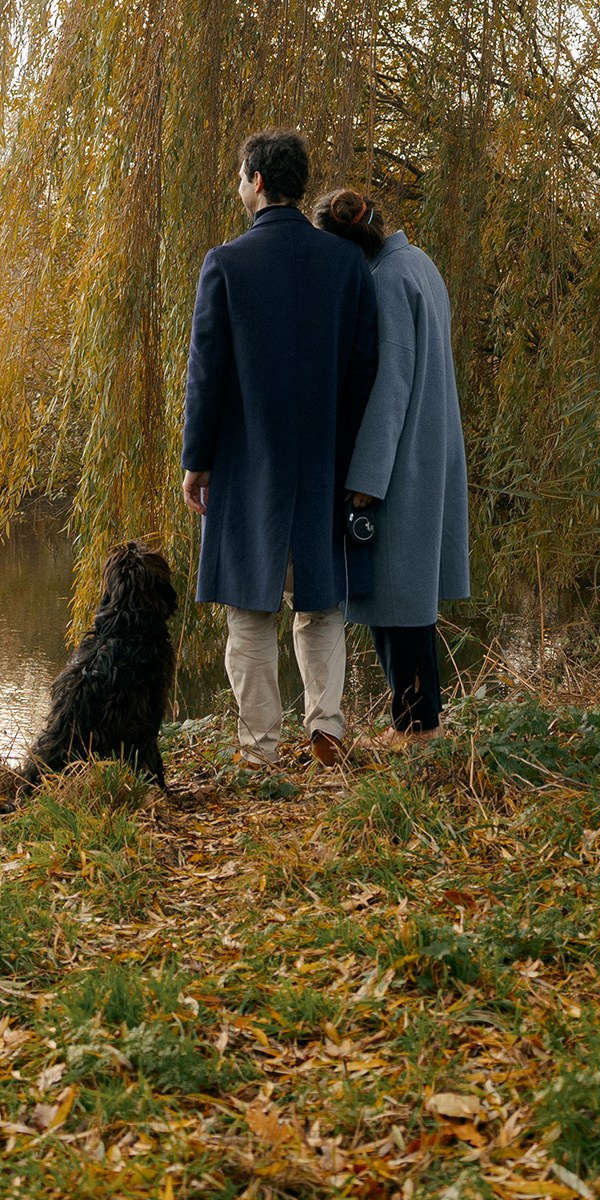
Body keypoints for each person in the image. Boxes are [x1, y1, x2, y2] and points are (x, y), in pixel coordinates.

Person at [181, 129, 378, 768]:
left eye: (241, 175)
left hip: (247, 462)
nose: (239, 185)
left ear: (257, 181)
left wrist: (196, 461)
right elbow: (362, 371)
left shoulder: (227, 264)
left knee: (249, 610)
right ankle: (327, 730)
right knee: (320, 603)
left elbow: (206, 374)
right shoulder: (348, 265)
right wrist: (350, 455)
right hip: (325, 458)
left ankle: (261, 747)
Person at [314, 187, 469, 736]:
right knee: (408, 602)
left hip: (401, 465)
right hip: (431, 450)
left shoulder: (384, 280)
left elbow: (391, 384)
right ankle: (418, 724)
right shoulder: (420, 263)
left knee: (394, 602)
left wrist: (365, 479)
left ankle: (418, 729)